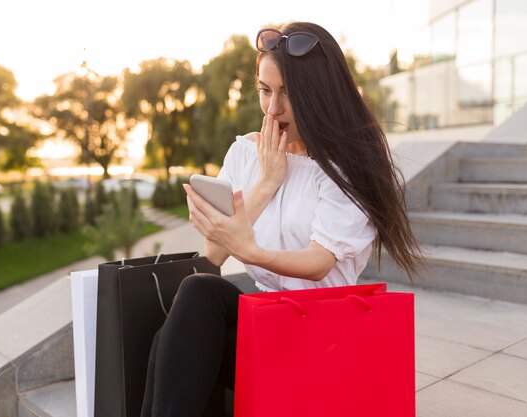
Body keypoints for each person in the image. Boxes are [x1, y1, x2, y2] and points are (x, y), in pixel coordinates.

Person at [140, 21, 423, 417]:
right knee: (198, 293)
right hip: (267, 321)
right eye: (265, 90)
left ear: (319, 95)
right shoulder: (245, 153)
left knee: (167, 341)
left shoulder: (347, 168)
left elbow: (318, 261)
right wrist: (267, 182)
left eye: (288, 94)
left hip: (325, 334)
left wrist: (250, 250)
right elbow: (214, 253)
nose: (273, 108)